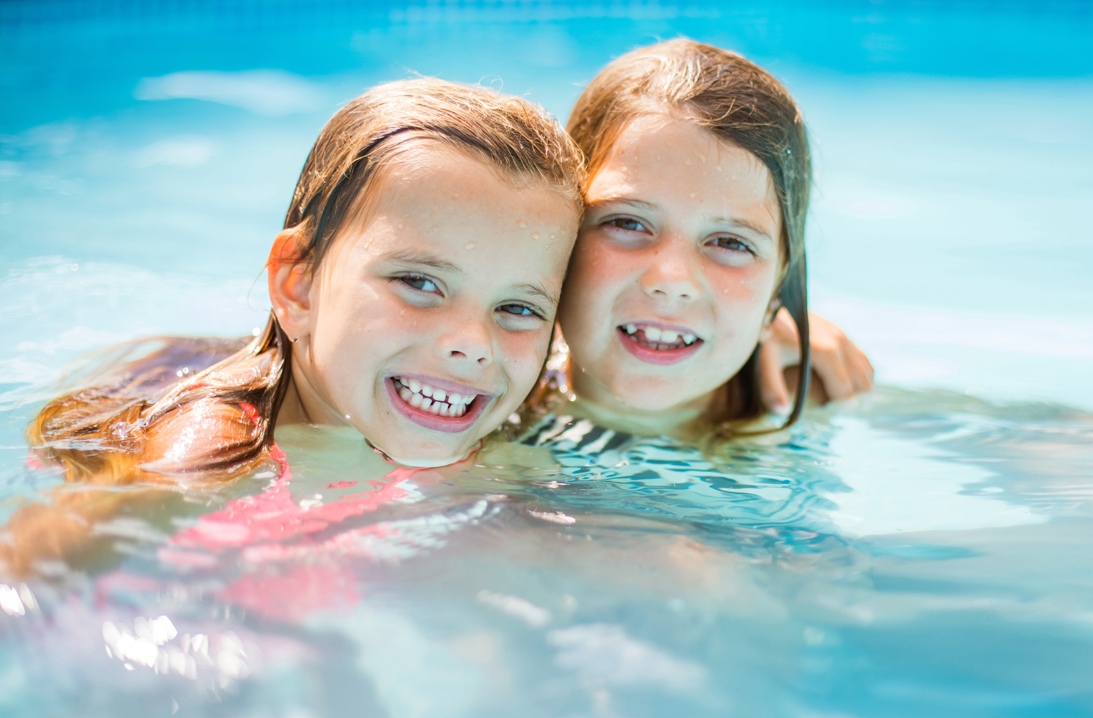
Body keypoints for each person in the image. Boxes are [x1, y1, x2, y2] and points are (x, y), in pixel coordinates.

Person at [5, 77, 585, 575]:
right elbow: (31, 571)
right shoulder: (211, 457)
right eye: (420, 283)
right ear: (297, 284)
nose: (471, 345)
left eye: (518, 309)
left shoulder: (499, 416)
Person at [522, 39, 874, 451]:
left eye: (730, 243)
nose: (672, 280)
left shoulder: (817, 405)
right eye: (627, 222)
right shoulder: (481, 384)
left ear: (777, 292)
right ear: (560, 237)